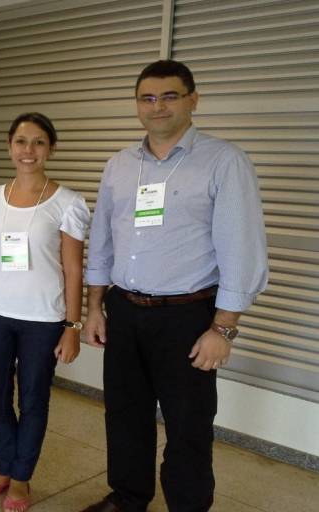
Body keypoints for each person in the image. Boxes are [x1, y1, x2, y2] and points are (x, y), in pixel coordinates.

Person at [81, 60, 268, 512]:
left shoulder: (224, 161)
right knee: (125, 414)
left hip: (188, 316)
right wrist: (94, 308)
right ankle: (128, 498)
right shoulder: (120, 165)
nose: (157, 106)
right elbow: (102, 240)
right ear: (137, 104)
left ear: (192, 100)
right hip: (124, 310)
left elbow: (241, 249)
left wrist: (223, 328)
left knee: (189, 425)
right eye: (147, 98)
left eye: (170, 96)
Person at [0, 112, 90, 512]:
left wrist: (72, 326)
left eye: (38, 142)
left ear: (51, 148)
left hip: (43, 320)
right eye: (20, 141)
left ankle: (20, 479)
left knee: (33, 401)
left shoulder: (68, 203)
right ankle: (5, 468)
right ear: (9, 146)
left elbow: (73, 269)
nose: (28, 150)